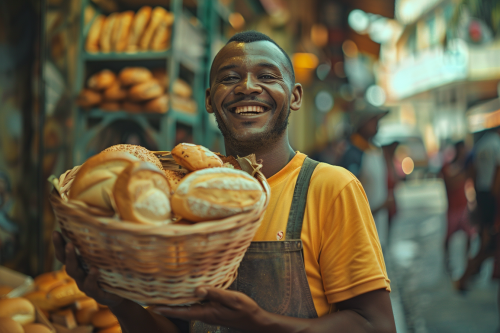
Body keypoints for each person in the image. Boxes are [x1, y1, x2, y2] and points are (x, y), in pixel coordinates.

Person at [53, 31, 395, 333]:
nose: (247, 87)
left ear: (294, 96)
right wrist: (119, 302)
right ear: (209, 99)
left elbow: (375, 325)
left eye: (266, 75)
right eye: (230, 77)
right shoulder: (180, 199)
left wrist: (260, 323)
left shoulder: (331, 188)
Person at [339, 105, 391, 250]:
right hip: (359, 237)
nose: (377, 124)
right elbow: (347, 199)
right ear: (362, 123)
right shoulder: (352, 155)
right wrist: (380, 206)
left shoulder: (374, 150)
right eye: (372, 120)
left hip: (378, 232)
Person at [455, 126, 500, 292]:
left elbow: (471, 170)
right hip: (493, 198)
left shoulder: (481, 144)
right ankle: (465, 277)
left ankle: (469, 275)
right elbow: (497, 178)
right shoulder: (497, 145)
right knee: (489, 243)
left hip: (482, 194)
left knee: (485, 240)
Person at [440, 141, 475, 274]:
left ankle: (466, 261)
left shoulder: (460, 166)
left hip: (463, 207)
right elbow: (451, 183)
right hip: (453, 209)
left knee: (469, 236)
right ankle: (447, 261)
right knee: (448, 238)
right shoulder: (450, 167)